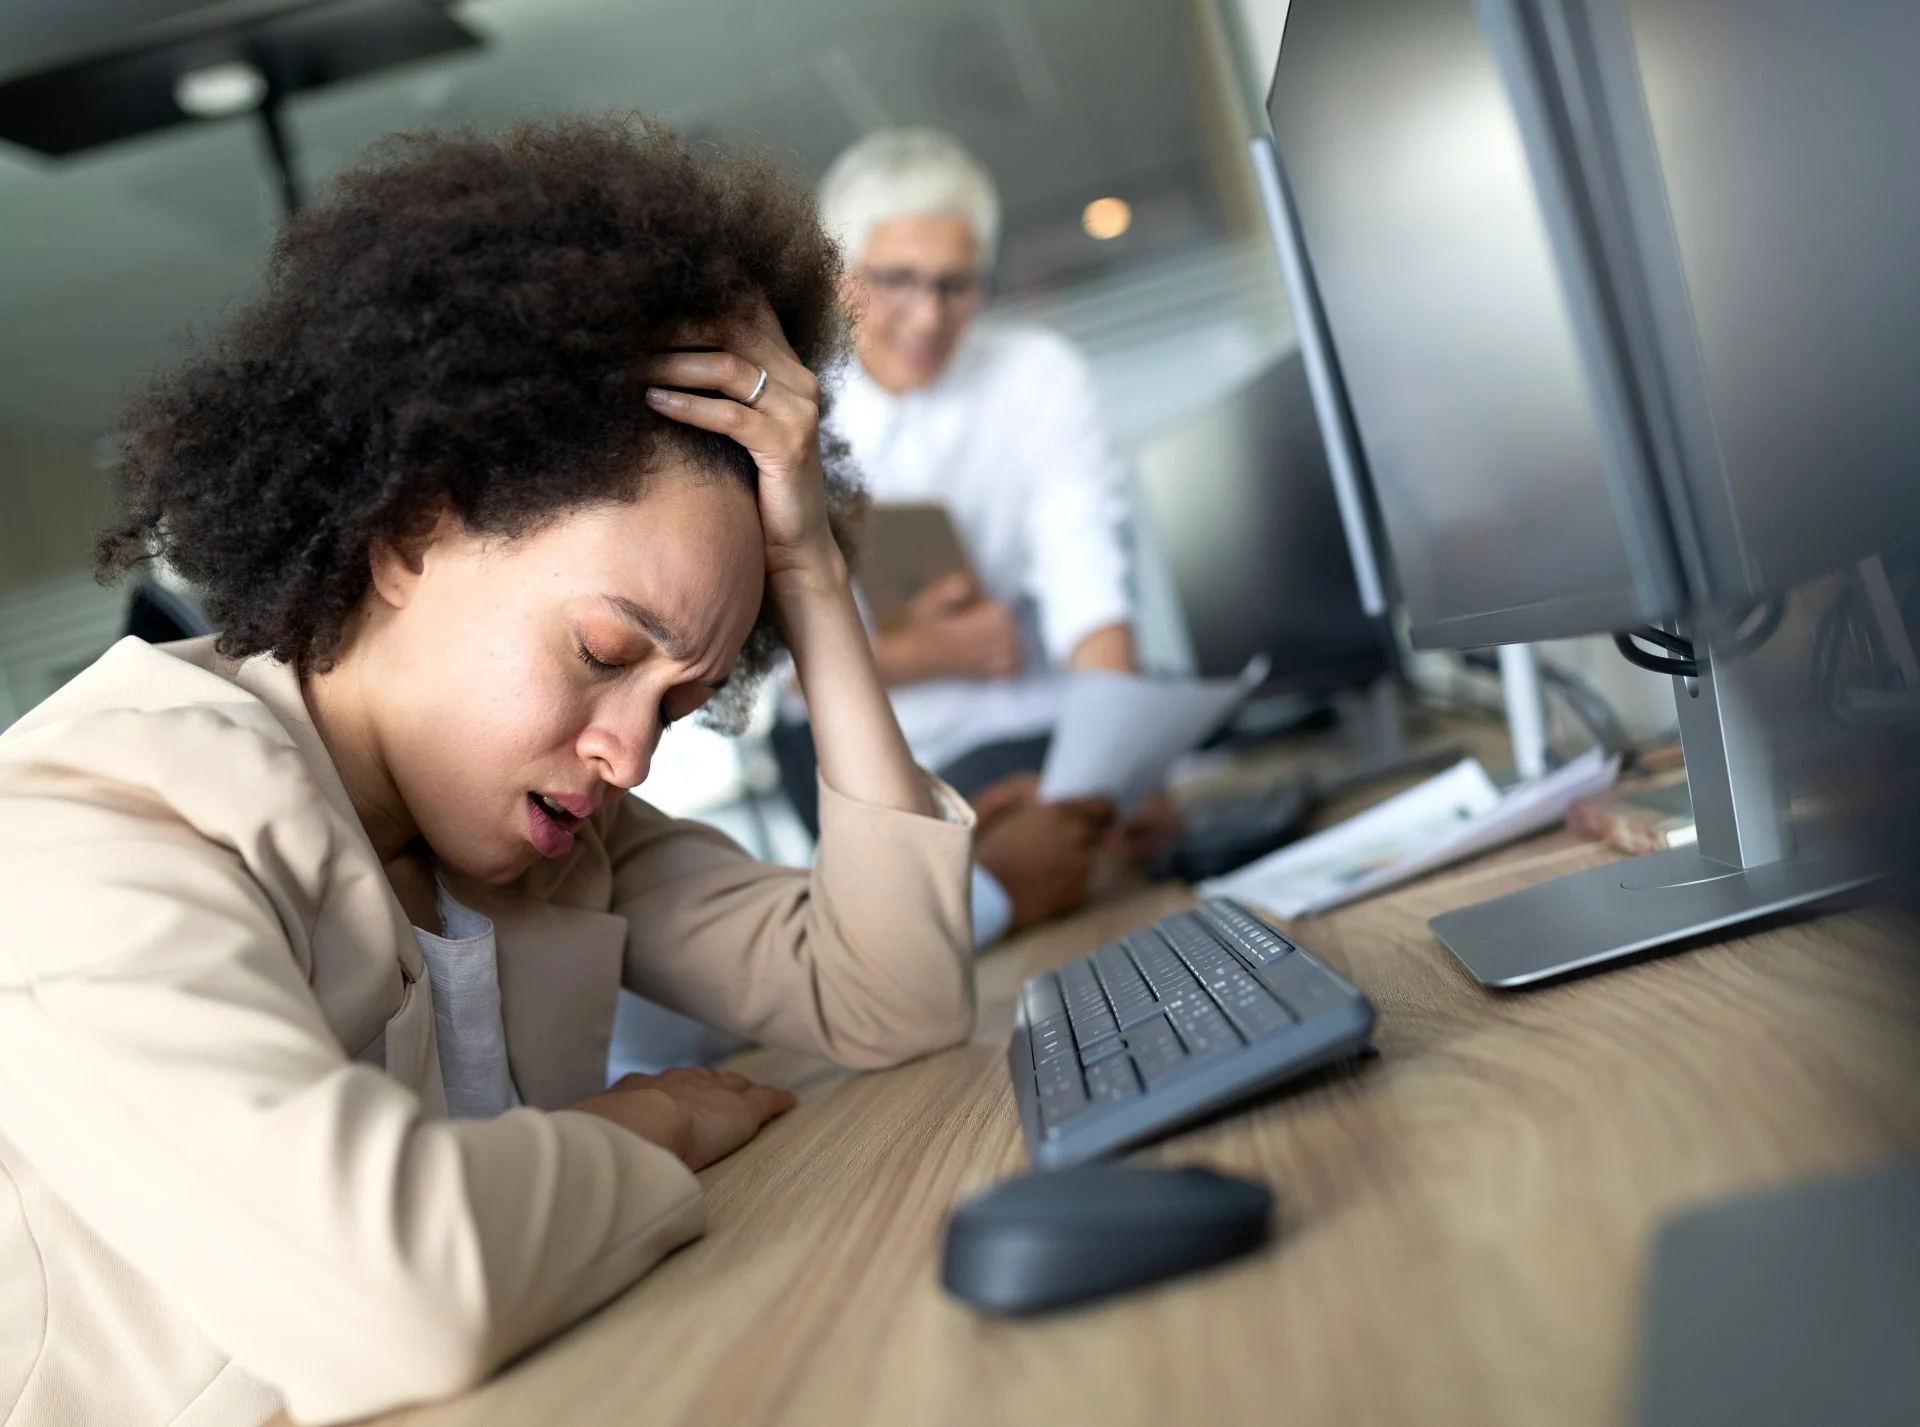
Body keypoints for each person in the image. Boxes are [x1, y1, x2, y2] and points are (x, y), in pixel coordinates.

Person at [0, 118, 980, 1427]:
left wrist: (808, 567)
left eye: (680, 700)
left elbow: (894, 996)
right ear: (412, 532)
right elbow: (397, 1293)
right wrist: (649, 1129)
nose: (630, 749)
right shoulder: (87, 830)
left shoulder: (545, 833)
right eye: (603, 651)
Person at [772, 129, 1155, 942]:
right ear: (840, 275)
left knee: (1124, 855)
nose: (929, 315)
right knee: (968, 903)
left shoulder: (1037, 375)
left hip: (1041, 727)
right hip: (896, 755)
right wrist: (921, 655)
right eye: (896, 281)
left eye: (956, 284)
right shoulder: (796, 412)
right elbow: (771, 676)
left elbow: (1088, 578)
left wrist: (1122, 760)